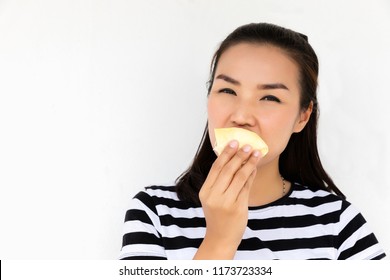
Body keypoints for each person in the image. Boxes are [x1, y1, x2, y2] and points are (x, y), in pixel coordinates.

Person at [119, 22, 386, 260]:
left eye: (270, 97)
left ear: (302, 117)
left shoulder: (336, 222)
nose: (242, 116)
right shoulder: (154, 212)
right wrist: (220, 240)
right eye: (227, 90)